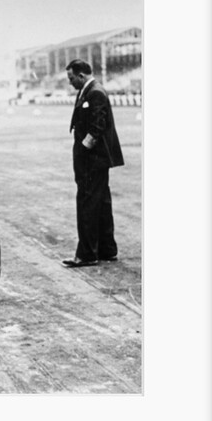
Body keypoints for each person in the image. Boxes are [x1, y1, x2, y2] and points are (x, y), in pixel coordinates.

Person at [62, 59, 124, 267]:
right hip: (97, 160)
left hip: (93, 160)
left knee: (87, 205)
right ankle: (107, 249)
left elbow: (98, 126)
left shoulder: (95, 92)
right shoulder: (90, 91)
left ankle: (87, 254)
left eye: (71, 78)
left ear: (81, 75)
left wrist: (83, 149)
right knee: (101, 203)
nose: (70, 83)